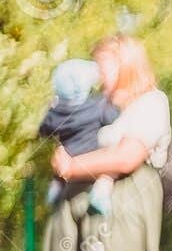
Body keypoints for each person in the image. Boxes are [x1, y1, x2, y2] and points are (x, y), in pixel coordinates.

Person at [43, 36, 172, 251]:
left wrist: (72, 166)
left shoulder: (150, 102)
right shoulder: (95, 106)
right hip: (81, 201)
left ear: (126, 66)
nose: (98, 73)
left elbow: (128, 157)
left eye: (105, 65)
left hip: (128, 199)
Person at [39, 59, 119, 216]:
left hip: (68, 155)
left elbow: (44, 130)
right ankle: (101, 193)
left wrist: (51, 108)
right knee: (108, 173)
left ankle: (56, 187)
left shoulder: (55, 113)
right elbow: (114, 118)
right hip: (91, 154)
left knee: (59, 171)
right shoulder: (98, 105)